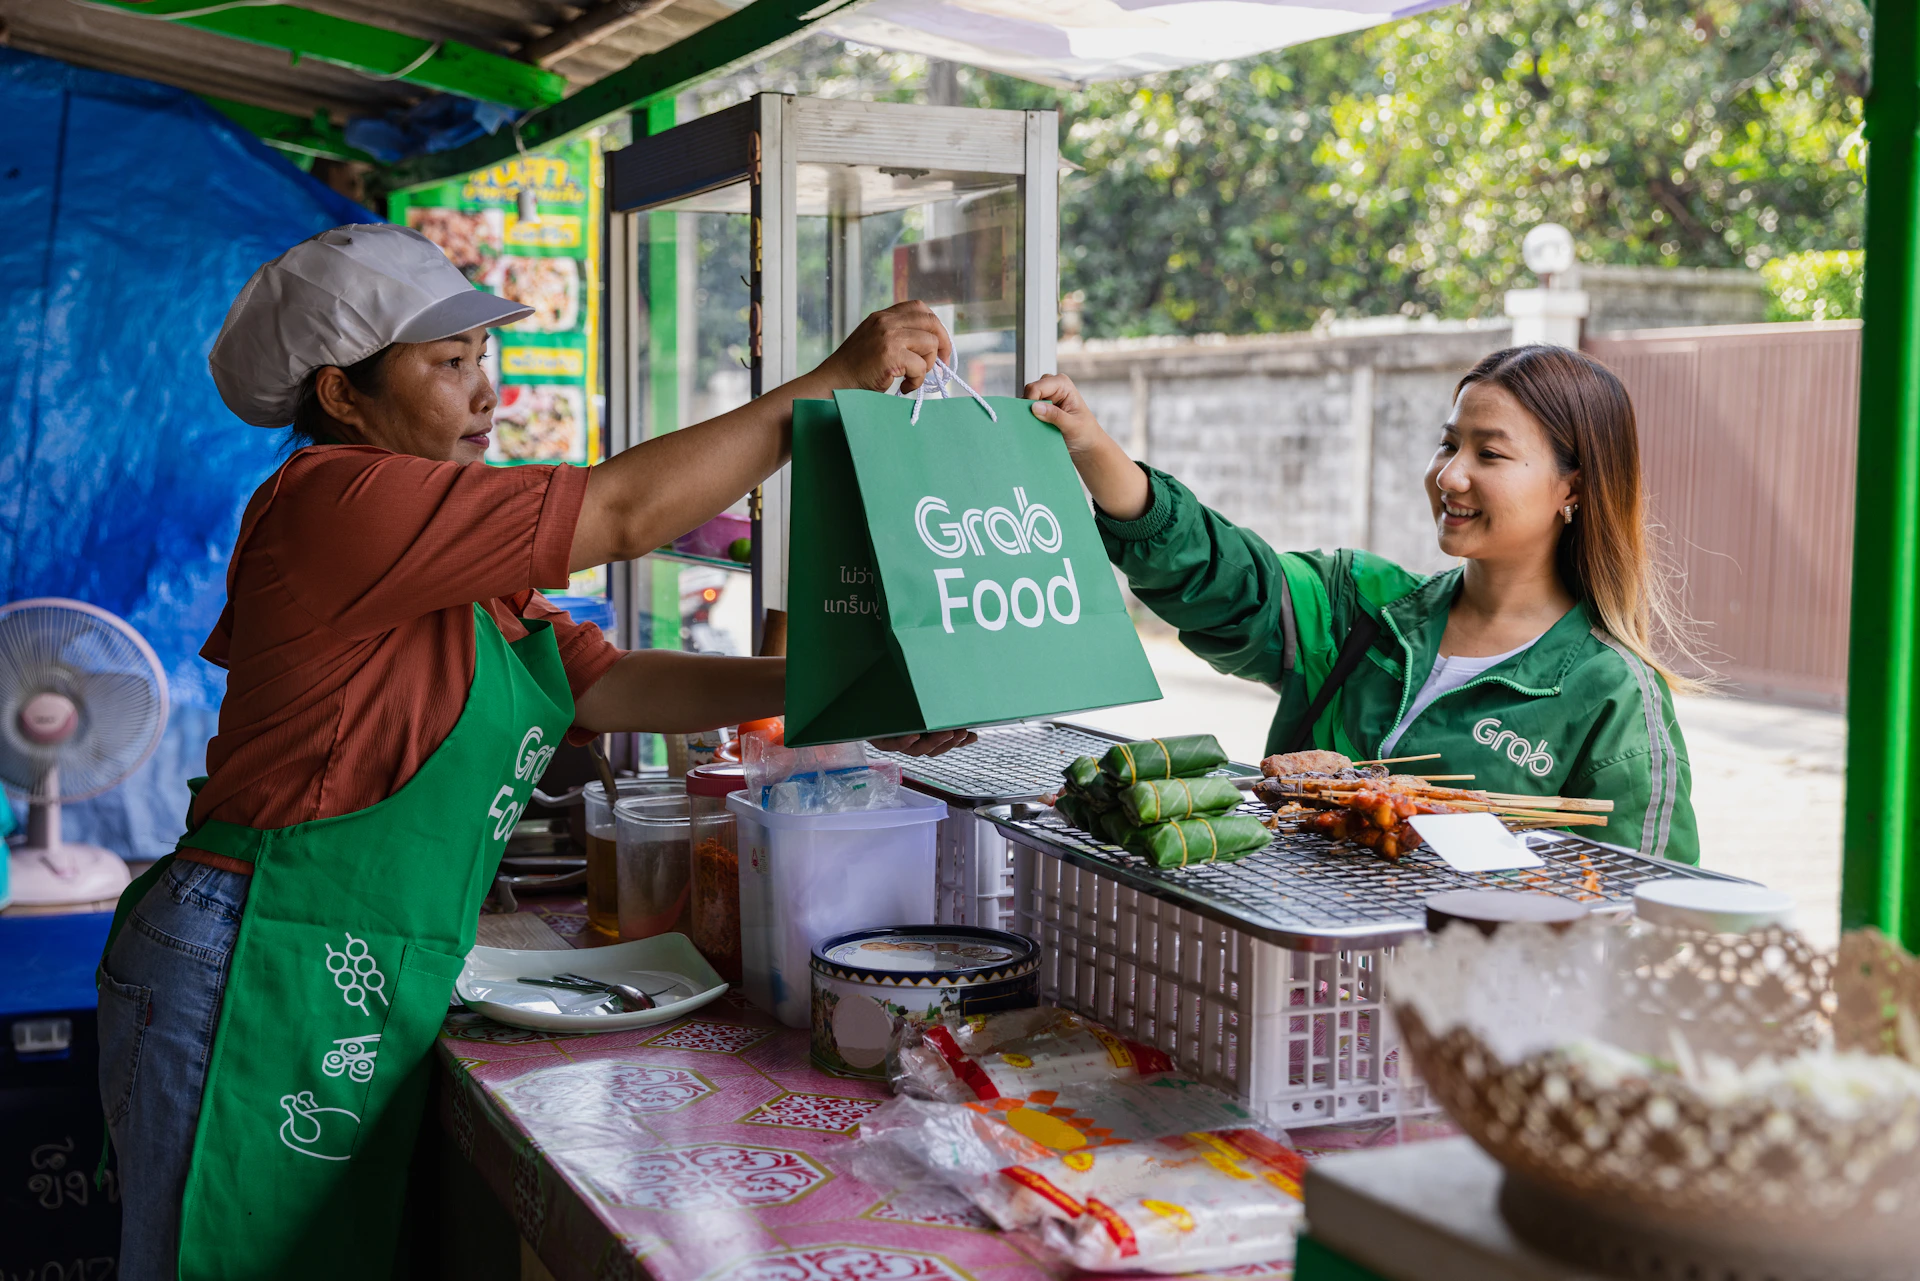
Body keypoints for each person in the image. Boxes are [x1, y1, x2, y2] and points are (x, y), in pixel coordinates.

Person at [97, 223, 971, 1279]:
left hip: (354, 959)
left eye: (486, 361)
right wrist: (827, 386)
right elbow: (626, 509)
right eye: (449, 364)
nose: (487, 394)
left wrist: (850, 693)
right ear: (340, 395)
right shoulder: (335, 498)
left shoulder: (447, 541)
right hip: (251, 950)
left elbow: (603, 686)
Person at [1024, 344, 1699, 863]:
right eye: (1449, 443)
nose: (1450, 474)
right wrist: (1091, 446)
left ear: (1571, 489)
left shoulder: (1612, 695)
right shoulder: (1364, 605)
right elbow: (1225, 580)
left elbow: (1641, 905)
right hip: (1294, 984)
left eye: (1489, 453)